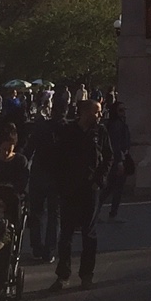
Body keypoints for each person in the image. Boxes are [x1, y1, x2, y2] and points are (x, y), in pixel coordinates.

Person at [51, 97, 112, 290]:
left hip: (90, 188)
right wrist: (61, 183)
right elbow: (57, 159)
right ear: (85, 113)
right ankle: (63, 275)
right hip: (70, 189)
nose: (99, 115)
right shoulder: (68, 132)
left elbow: (109, 157)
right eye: (96, 111)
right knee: (66, 234)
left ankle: (87, 274)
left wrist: (99, 180)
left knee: (89, 233)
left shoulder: (100, 132)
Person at [23, 106, 62, 261]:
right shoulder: (66, 129)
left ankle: (36, 246)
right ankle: (50, 249)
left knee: (36, 211)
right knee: (54, 213)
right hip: (57, 174)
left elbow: (29, 149)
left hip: (39, 172)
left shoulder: (41, 127)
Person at [99, 101, 132, 220]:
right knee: (115, 188)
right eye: (120, 110)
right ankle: (112, 213)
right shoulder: (117, 125)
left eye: (124, 110)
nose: (123, 113)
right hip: (118, 159)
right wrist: (119, 161)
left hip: (119, 158)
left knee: (110, 188)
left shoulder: (118, 124)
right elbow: (116, 144)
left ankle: (100, 212)